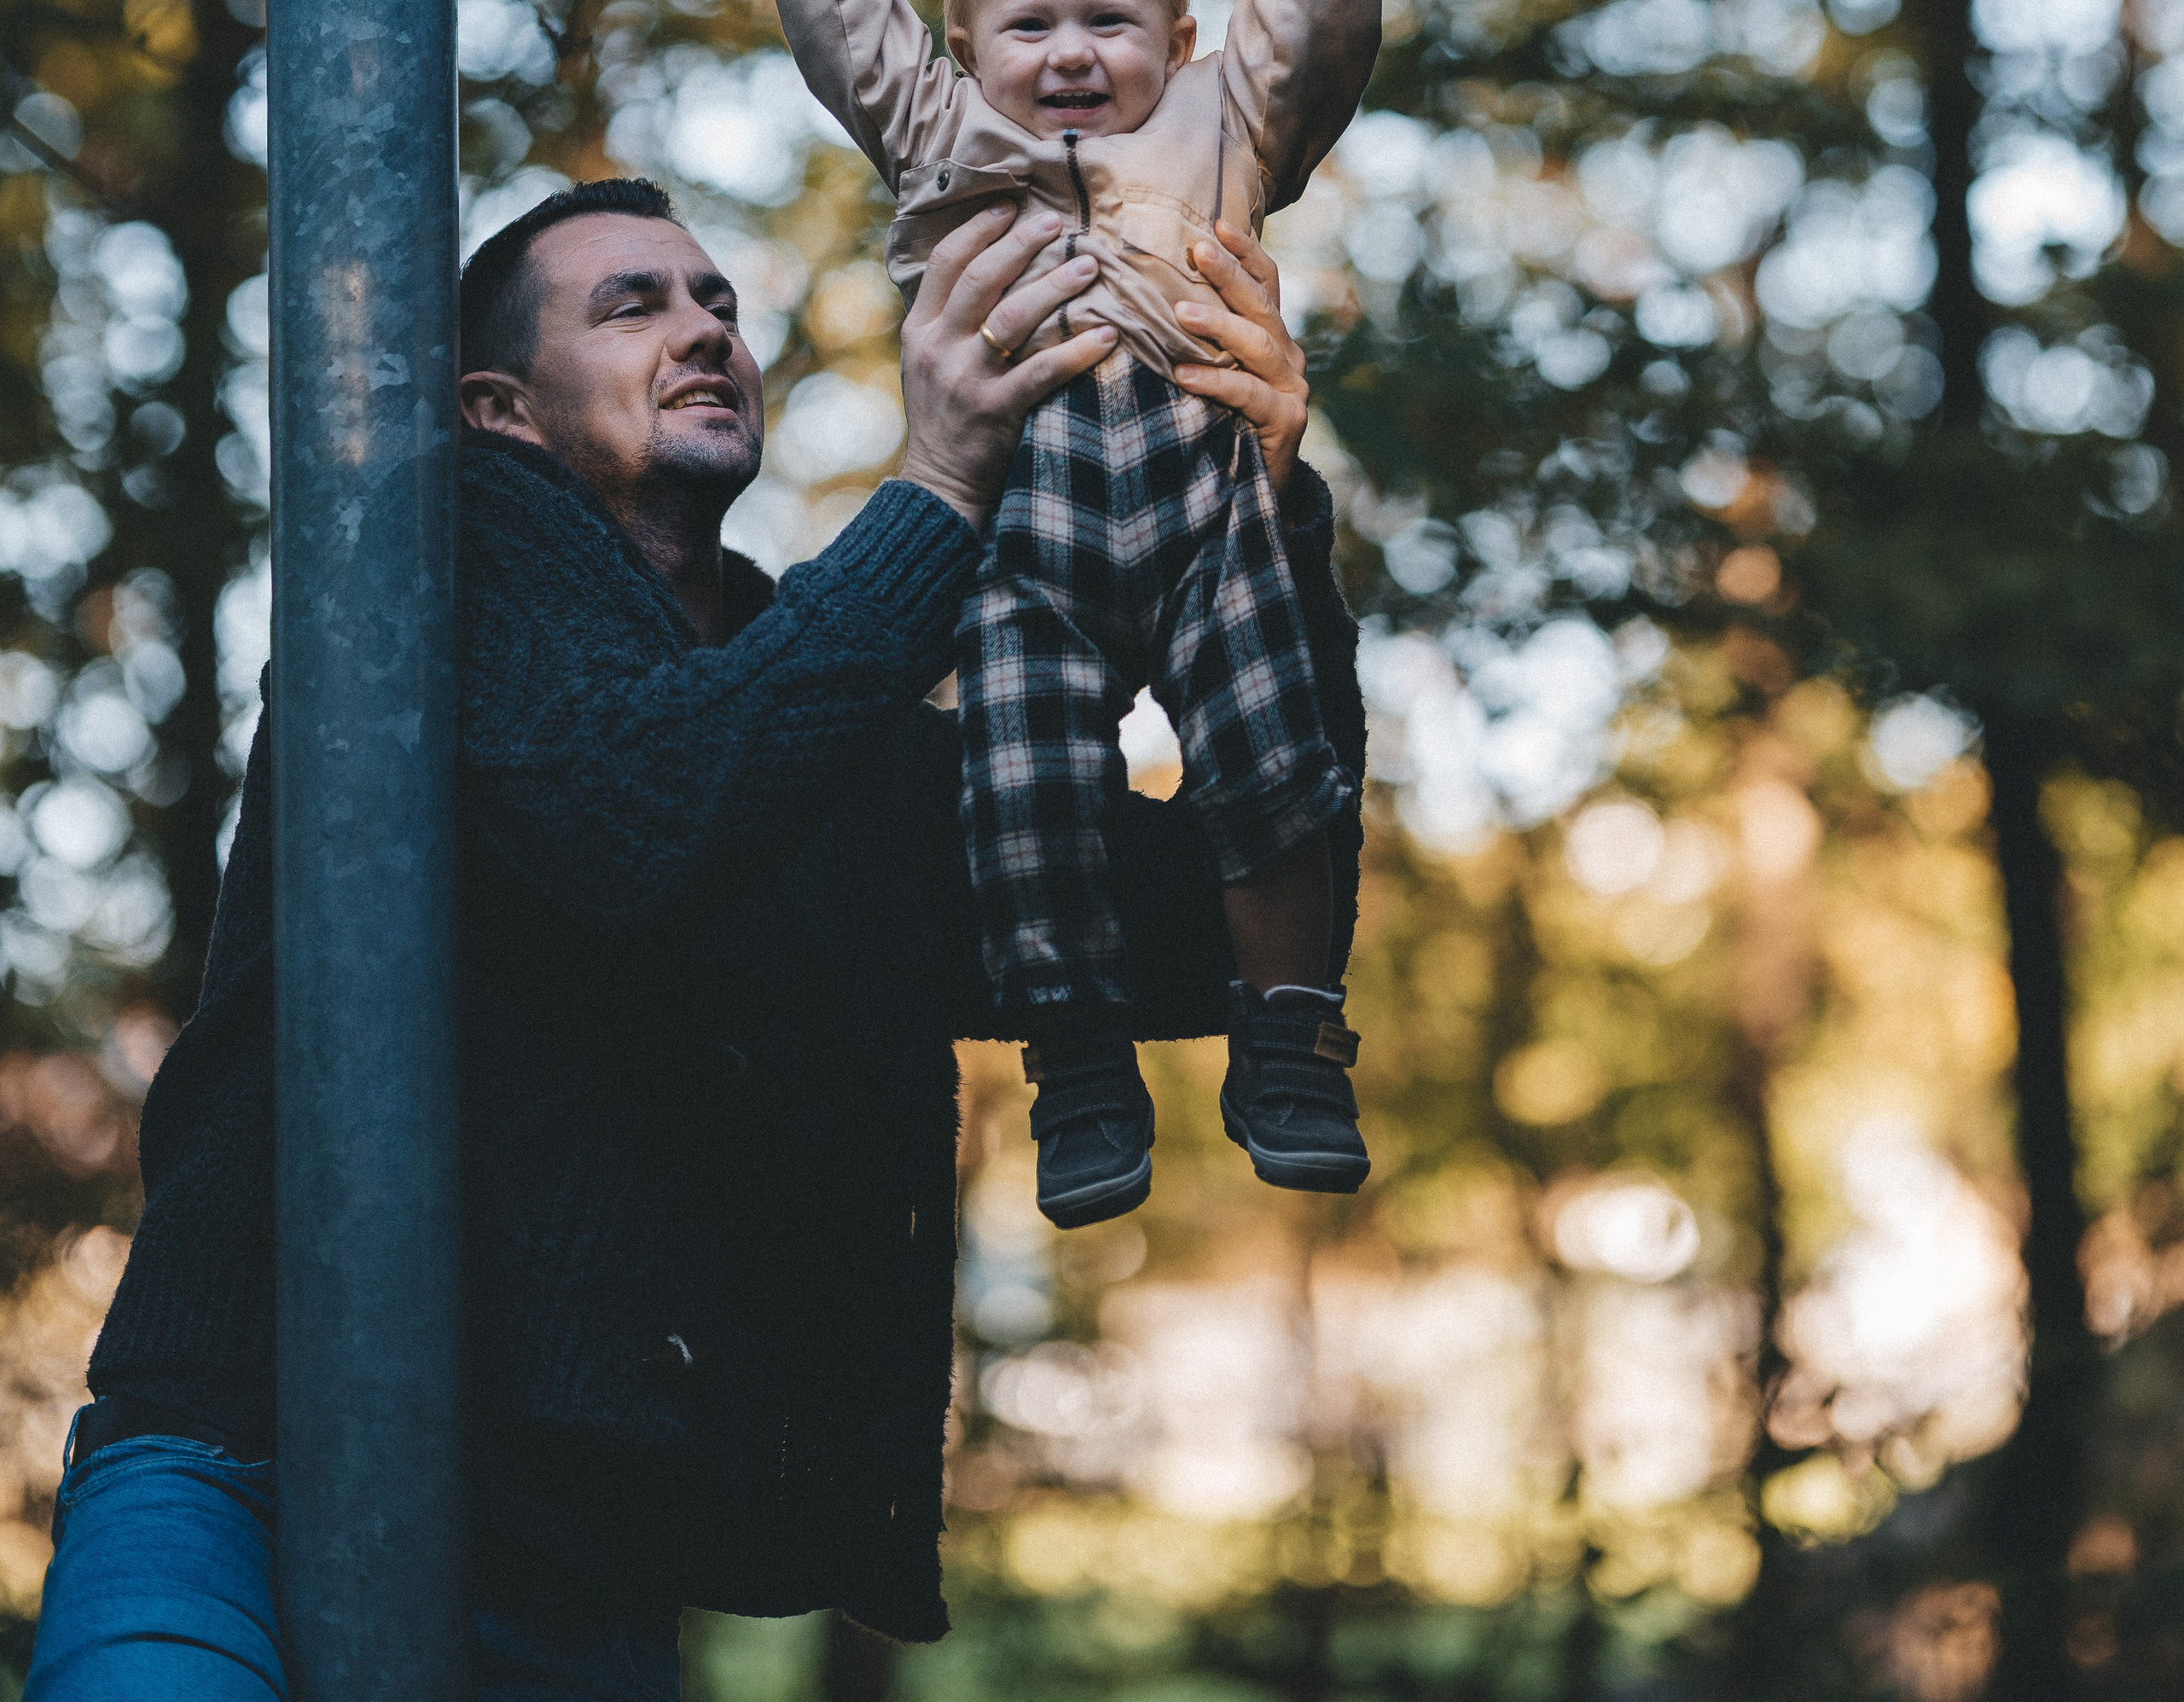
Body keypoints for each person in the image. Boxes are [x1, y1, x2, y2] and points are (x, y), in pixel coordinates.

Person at [30, 175, 1362, 1694]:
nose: (706, 328)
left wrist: (1255, 530)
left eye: (719, 300)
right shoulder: (416, 571)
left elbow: (1228, 918)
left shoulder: (817, 716)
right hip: (243, 1456)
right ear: (500, 410)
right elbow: (634, 810)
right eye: (634, 304)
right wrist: (937, 484)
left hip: (569, 1547)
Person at [760, 0, 1380, 1229]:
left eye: (1112, 22)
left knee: (1276, 749)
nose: (1072, 54)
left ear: (1177, 40)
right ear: (969, 56)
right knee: (1021, 776)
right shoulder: (944, 143)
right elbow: (856, 42)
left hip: (1207, 490)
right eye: (1029, 27)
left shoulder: (1225, 128)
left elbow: (1314, 36)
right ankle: (1075, 1049)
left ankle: (1291, 1029)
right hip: (1031, 516)